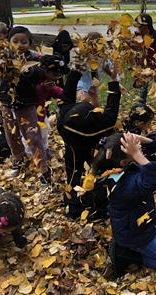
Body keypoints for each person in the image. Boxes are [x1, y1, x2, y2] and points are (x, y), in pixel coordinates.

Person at [93, 133, 156, 278]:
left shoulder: (126, 166)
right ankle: (131, 255)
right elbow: (155, 180)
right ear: (124, 162)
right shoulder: (121, 186)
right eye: (138, 152)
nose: (142, 153)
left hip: (142, 225)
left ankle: (137, 248)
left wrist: (143, 140)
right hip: (134, 235)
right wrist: (137, 153)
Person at [57, 62, 121, 219]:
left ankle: (74, 209)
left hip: (72, 158)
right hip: (94, 159)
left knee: (73, 178)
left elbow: (66, 97)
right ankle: (97, 209)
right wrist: (113, 79)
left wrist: (76, 70)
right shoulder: (102, 127)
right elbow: (112, 111)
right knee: (96, 178)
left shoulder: (64, 123)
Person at [0, 26, 50, 182]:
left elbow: (40, 75)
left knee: (32, 137)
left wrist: (26, 71)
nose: (20, 45)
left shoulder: (34, 59)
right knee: (12, 136)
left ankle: (44, 171)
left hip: (25, 105)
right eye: (15, 41)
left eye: (24, 42)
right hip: (8, 104)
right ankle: (19, 163)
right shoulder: (3, 58)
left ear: (29, 43)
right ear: (8, 42)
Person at [22, 54, 67, 158]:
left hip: (41, 112)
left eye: (59, 74)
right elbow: (32, 94)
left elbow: (55, 90)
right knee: (30, 136)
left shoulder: (48, 80)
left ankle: (45, 148)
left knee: (44, 131)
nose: (57, 76)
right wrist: (43, 88)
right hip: (29, 113)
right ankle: (32, 154)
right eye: (55, 73)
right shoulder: (34, 79)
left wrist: (65, 94)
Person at [134, 14, 156, 104]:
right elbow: (138, 50)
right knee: (143, 84)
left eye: (140, 27)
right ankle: (141, 103)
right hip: (145, 65)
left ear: (147, 25)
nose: (139, 29)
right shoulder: (138, 37)